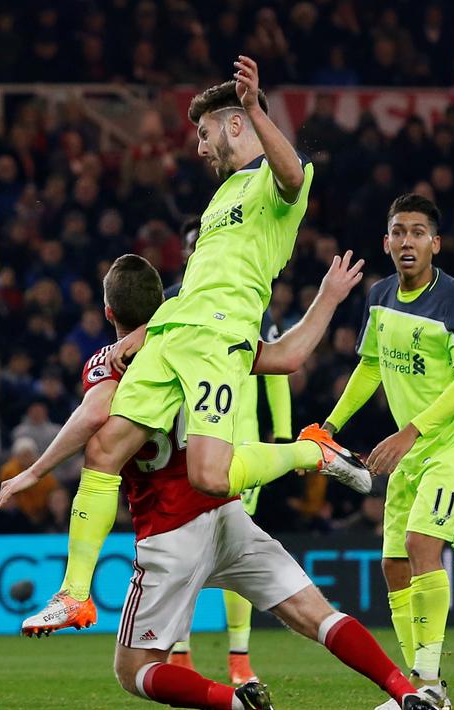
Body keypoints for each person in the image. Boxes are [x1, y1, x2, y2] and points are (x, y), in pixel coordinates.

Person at [5, 57, 370, 635]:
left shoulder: (279, 185)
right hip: (178, 332)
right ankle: (75, 595)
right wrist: (147, 332)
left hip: (220, 337)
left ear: (233, 125)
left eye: (204, 133)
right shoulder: (221, 196)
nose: (198, 147)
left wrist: (254, 108)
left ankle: (313, 452)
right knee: (104, 452)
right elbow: (199, 291)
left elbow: (295, 174)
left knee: (210, 476)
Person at [0, 254, 436, 710]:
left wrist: (34, 470)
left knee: (134, 670)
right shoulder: (206, 338)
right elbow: (287, 355)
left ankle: (233, 702)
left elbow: (92, 419)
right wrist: (327, 297)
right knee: (318, 616)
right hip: (227, 511)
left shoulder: (108, 365)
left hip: (168, 533)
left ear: (109, 313)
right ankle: (407, 693)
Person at [323, 193, 454, 710]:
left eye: (418, 232)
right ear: (386, 242)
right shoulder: (378, 297)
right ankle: (427, 689)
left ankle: (424, 681)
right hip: (414, 451)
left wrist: (410, 432)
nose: (407, 241)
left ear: (435, 245)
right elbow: (370, 367)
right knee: (394, 565)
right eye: (399, 231)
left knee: (422, 544)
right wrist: (330, 425)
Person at [165, 216, 294, 685]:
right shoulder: (172, 303)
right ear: (186, 254)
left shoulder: (252, 301)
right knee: (185, 547)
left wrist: (280, 434)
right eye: (195, 245)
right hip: (186, 441)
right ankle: (179, 651)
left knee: (233, 545)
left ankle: (239, 658)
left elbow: (276, 369)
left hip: (241, 441)